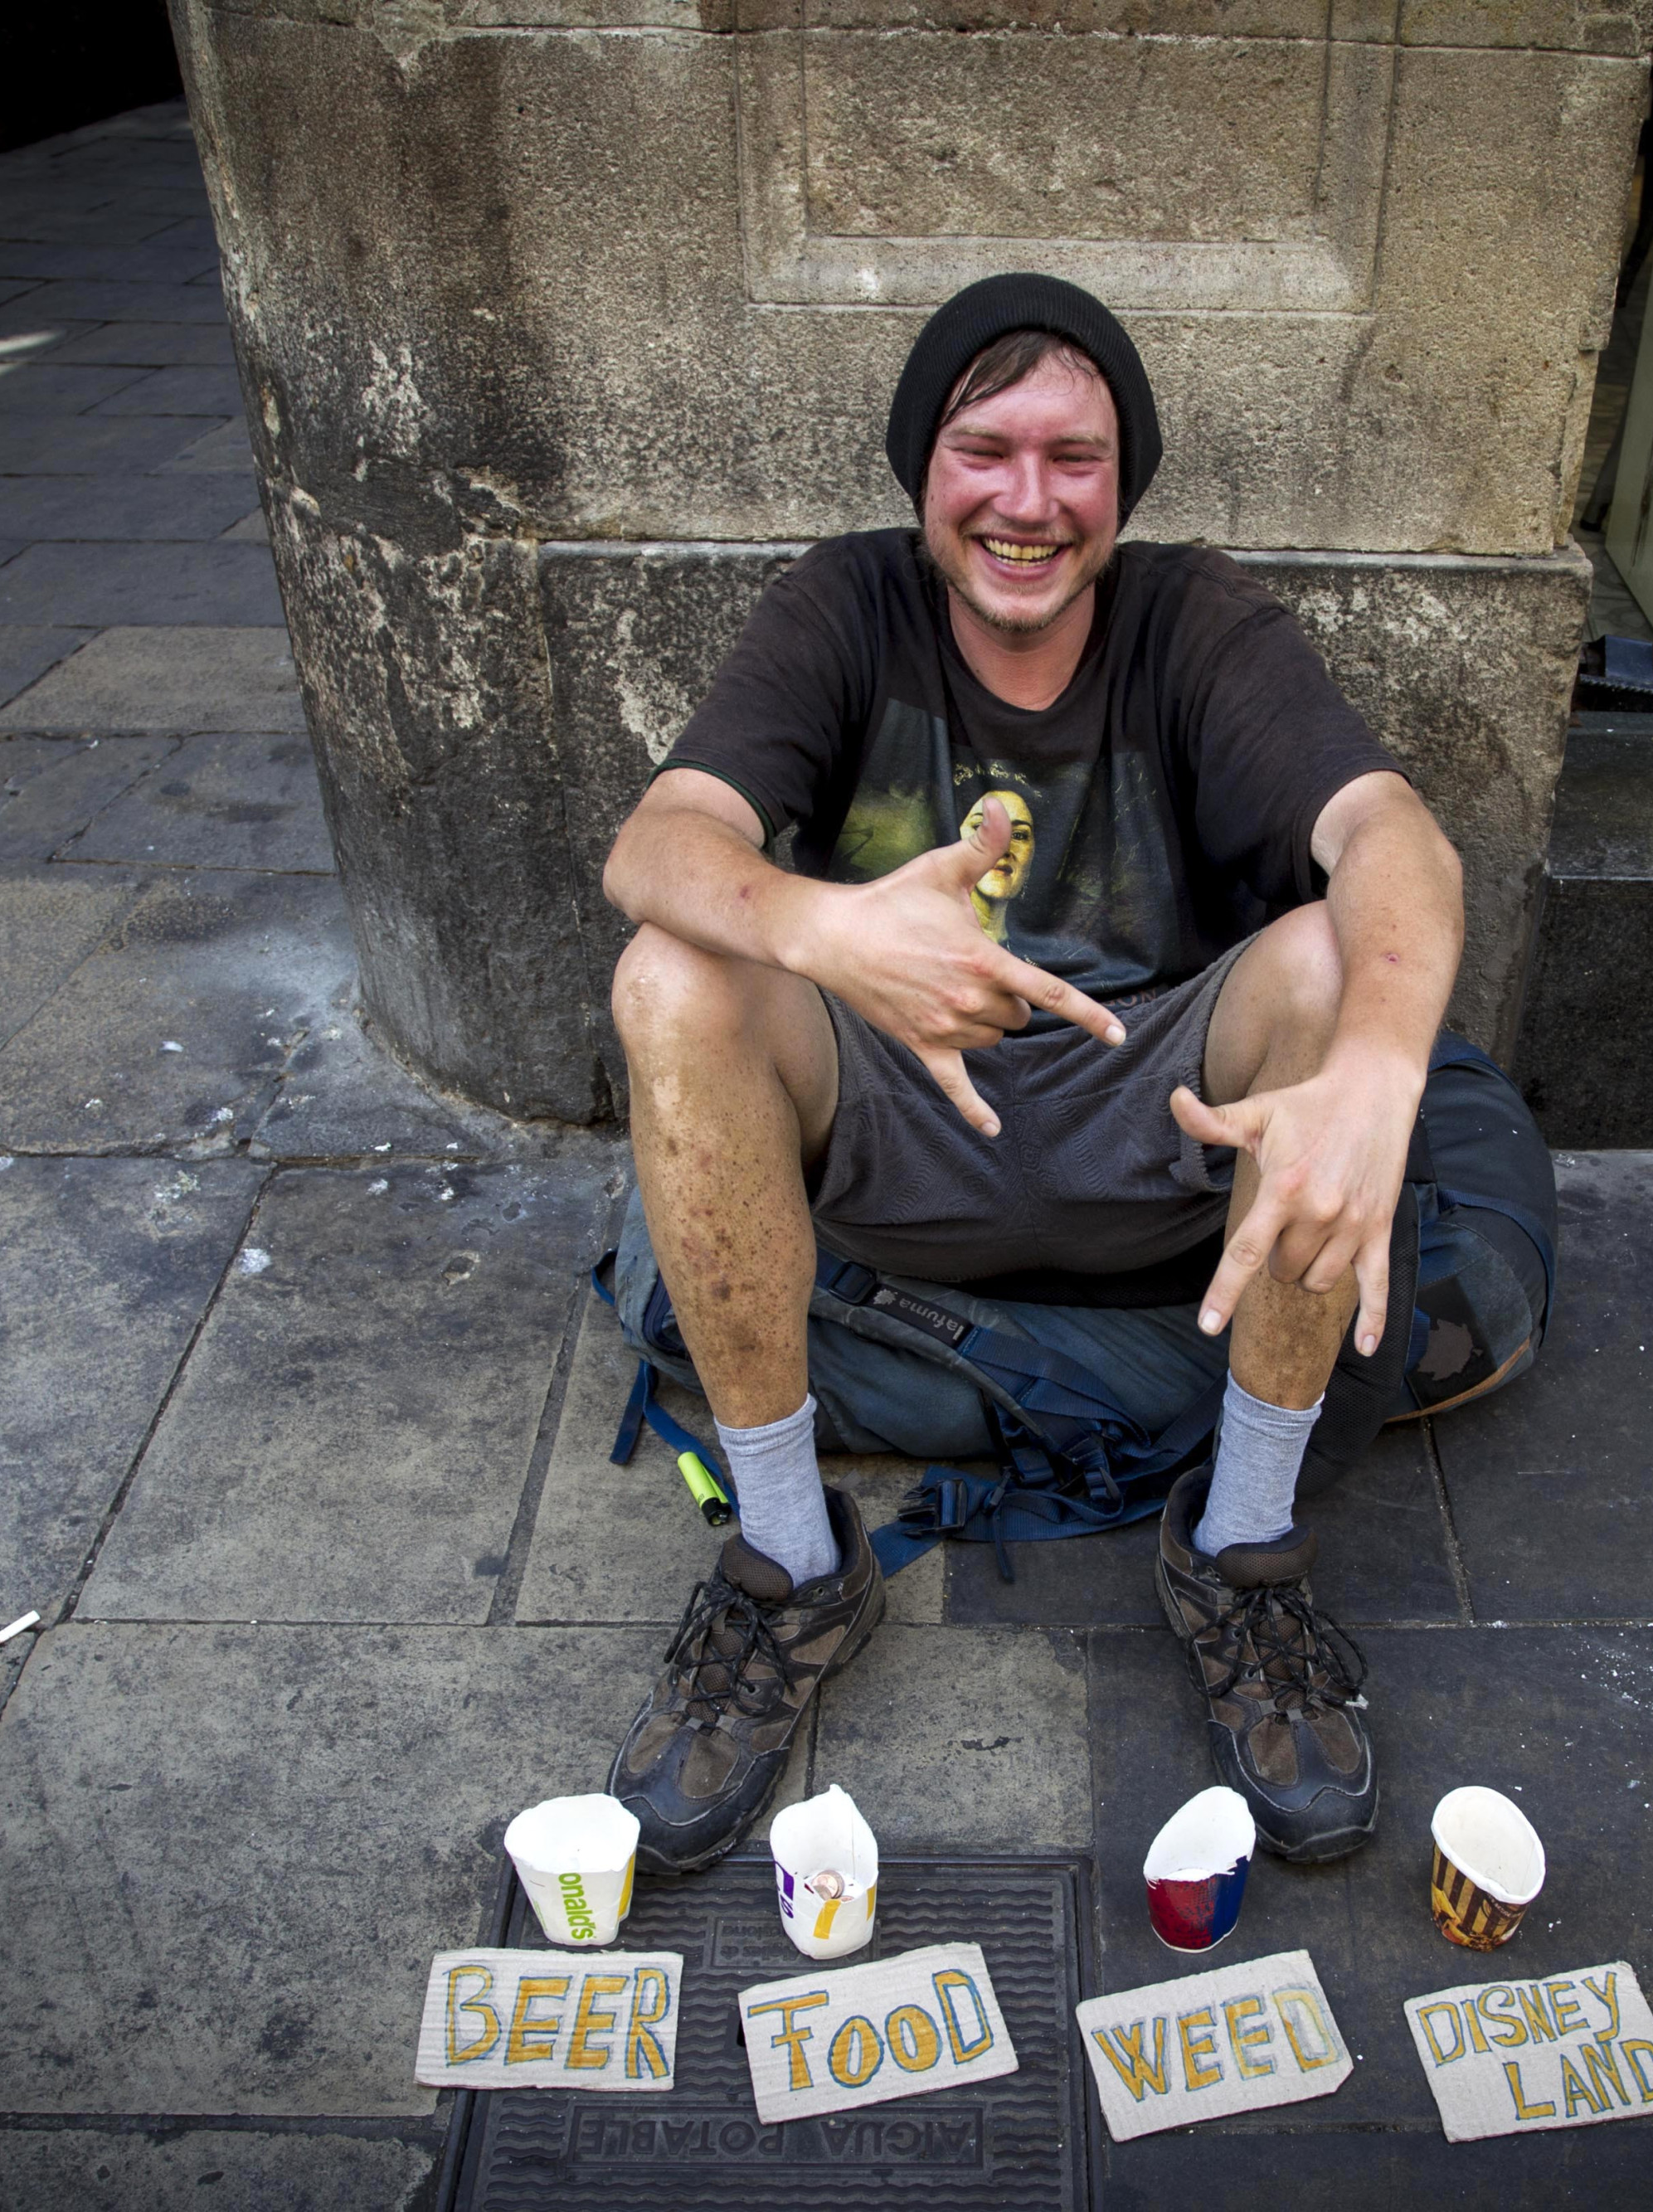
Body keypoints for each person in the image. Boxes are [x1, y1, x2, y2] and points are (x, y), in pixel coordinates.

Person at [595, 273, 1471, 1875]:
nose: (1027, 501)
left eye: (1074, 458)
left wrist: (1383, 1075)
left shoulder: (1195, 617)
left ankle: (1242, 1549)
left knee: (1345, 967)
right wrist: (828, 929)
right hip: (898, 1123)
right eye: (982, 451)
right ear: (922, 471)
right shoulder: (844, 606)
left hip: (1160, 1121)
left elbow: (1388, 833)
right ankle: (791, 1563)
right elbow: (657, 844)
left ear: (1122, 482)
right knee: (676, 972)